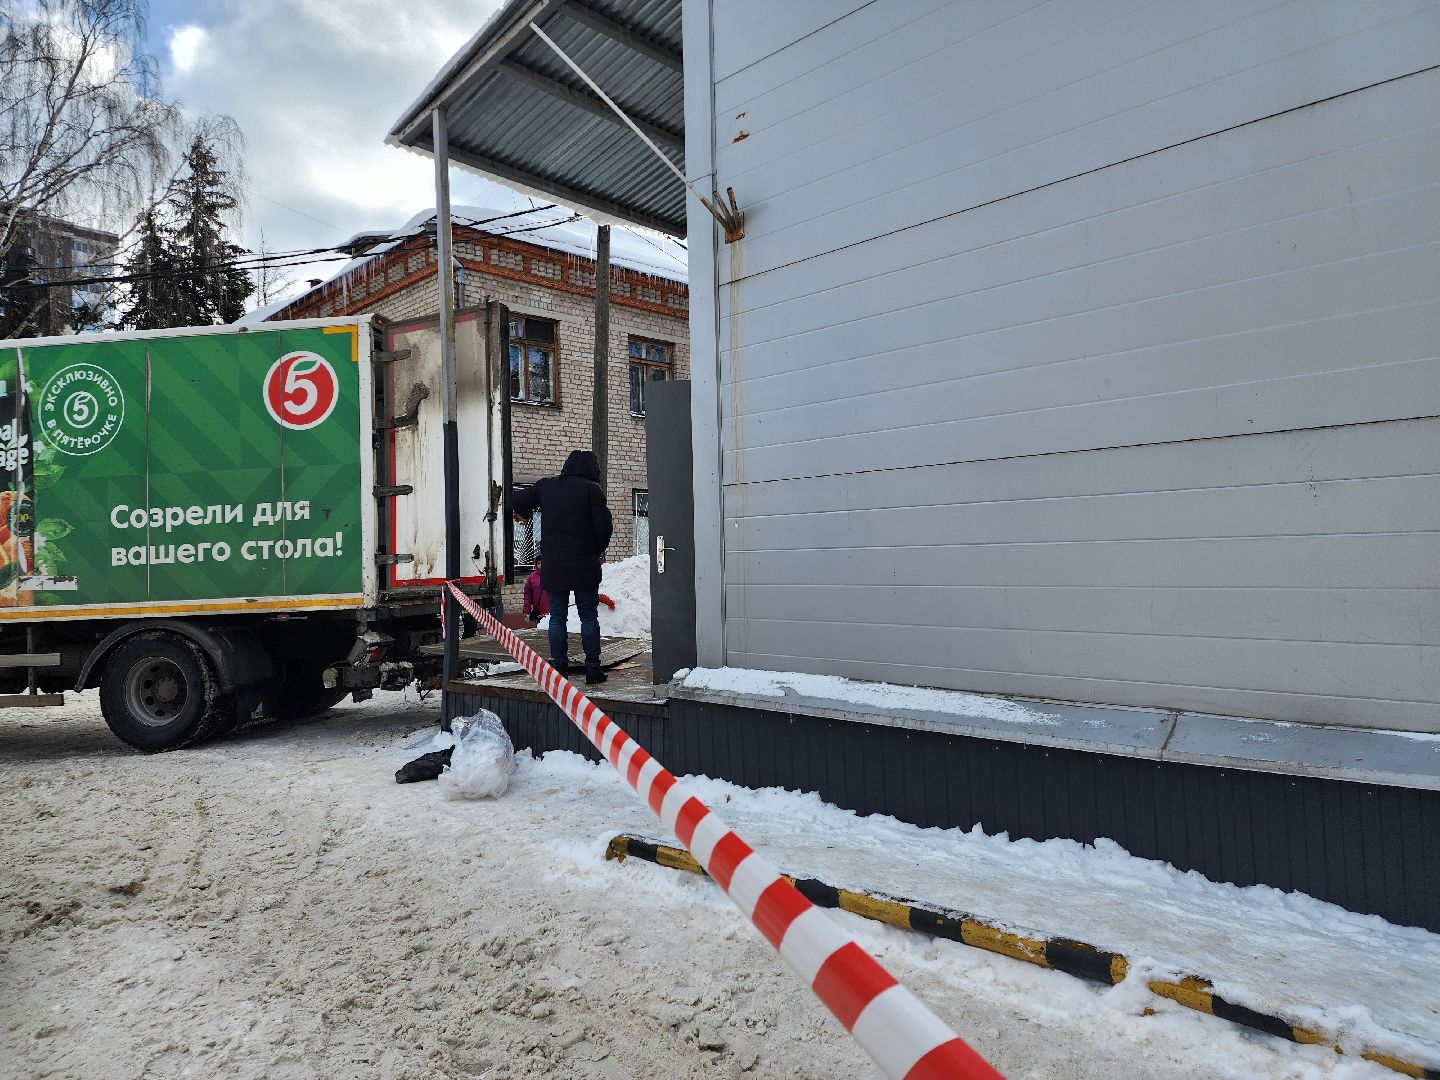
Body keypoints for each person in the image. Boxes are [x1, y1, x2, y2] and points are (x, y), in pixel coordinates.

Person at [511, 450, 613, 684]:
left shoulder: (547, 486)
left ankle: (559, 669)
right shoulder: (591, 490)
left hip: (555, 566)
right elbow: (604, 526)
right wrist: (594, 550)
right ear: (591, 468)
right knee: (588, 616)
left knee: (557, 617)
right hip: (585, 565)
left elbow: (516, 500)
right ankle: (593, 670)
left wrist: (525, 515)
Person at [522, 558, 549, 624]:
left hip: (551, 612)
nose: (540, 565)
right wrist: (526, 610)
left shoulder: (552, 575)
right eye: (538, 563)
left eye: (542, 563)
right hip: (538, 612)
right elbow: (527, 595)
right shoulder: (531, 577)